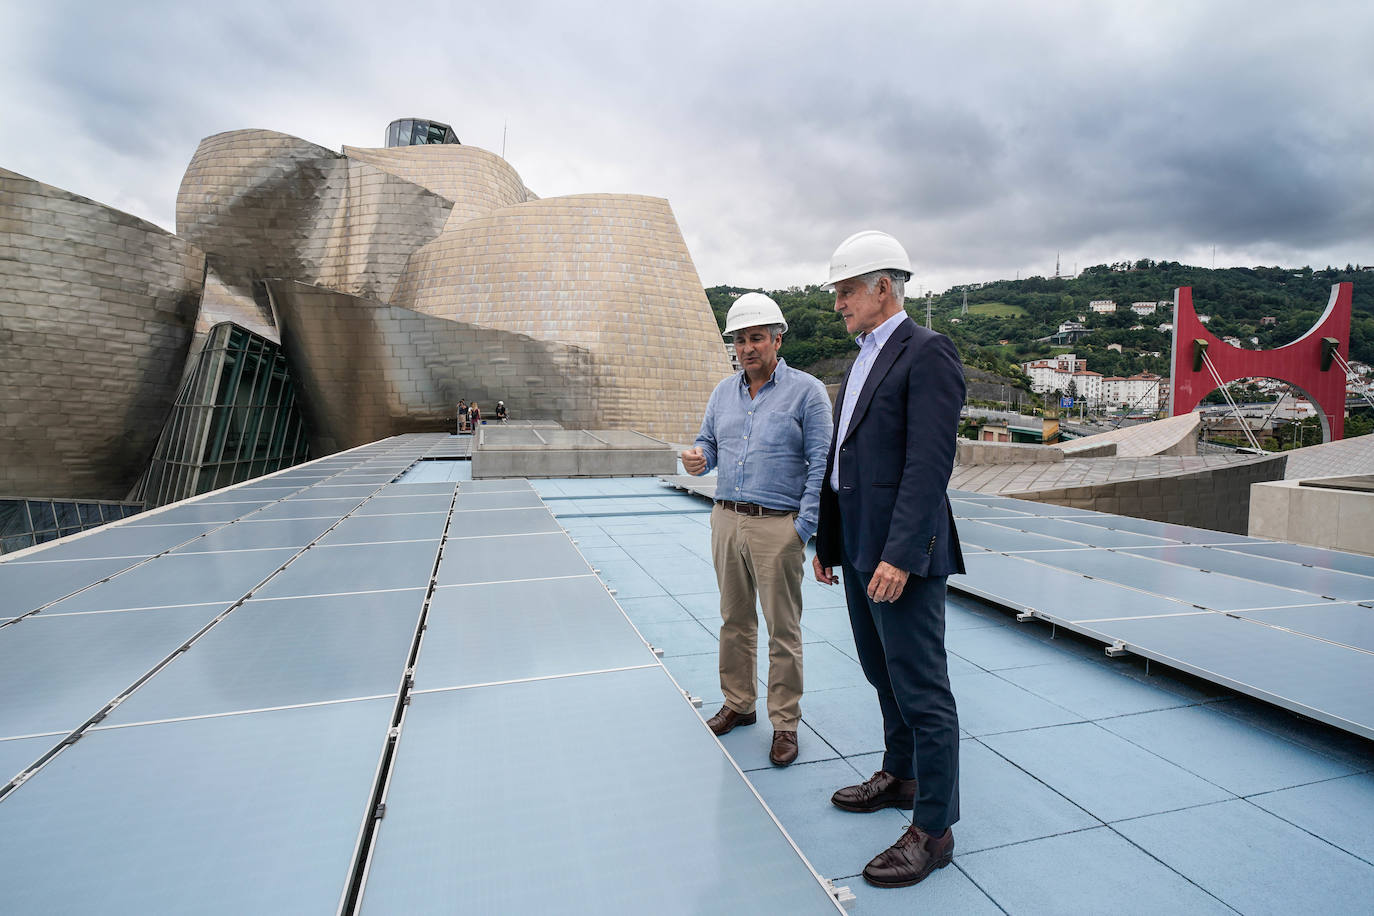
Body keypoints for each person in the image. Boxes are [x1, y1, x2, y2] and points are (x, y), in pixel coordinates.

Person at [811, 231, 966, 888]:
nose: (839, 303)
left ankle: (934, 828)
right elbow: (846, 458)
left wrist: (901, 555)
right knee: (883, 674)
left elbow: (928, 466)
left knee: (923, 690)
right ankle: (901, 776)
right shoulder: (862, 359)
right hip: (858, 548)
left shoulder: (926, 352)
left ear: (883, 288)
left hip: (900, 555)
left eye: (847, 290)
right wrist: (828, 539)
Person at [681, 293, 832, 767]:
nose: (747, 348)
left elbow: (821, 463)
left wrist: (802, 528)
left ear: (776, 339)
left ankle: (784, 723)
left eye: (756, 338)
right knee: (734, 620)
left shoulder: (806, 392)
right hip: (726, 518)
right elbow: (708, 443)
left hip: (777, 527)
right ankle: (739, 703)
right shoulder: (722, 393)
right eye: (740, 340)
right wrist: (698, 458)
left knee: (782, 630)